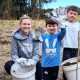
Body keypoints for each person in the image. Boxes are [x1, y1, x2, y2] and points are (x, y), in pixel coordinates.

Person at [4, 15, 42, 80]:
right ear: (20, 24)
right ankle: (24, 72)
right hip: (20, 62)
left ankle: (32, 72)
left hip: (32, 61)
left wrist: (32, 62)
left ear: (31, 25)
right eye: (24, 24)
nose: (26, 26)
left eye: (28, 24)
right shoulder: (14, 37)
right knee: (8, 65)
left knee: (41, 72)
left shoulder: (35, 36)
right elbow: (14, 54)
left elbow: (36, 54)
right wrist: (17, 60)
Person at [62, 6, 80, 80]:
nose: (72, 15)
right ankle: (66, 77)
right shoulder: (64, 24)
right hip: (67, 47)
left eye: (75, 14)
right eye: (71, 13)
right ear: (67, 13)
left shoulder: (78, 25)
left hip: (77, 48)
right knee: (66, 63)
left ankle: (76, 76)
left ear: (77, 16)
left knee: (77, 63)